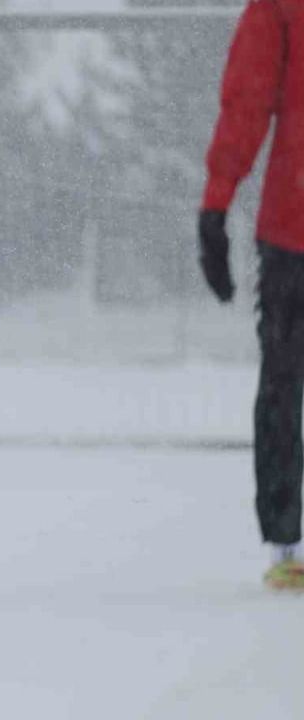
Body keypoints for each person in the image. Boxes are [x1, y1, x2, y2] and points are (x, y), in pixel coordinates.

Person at [199, 0, 304, 589]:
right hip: (293, 228)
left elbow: (249, 100)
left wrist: (217, 202)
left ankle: (287, 543)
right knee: (284, 384)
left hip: (294, 227)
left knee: (284, 383)